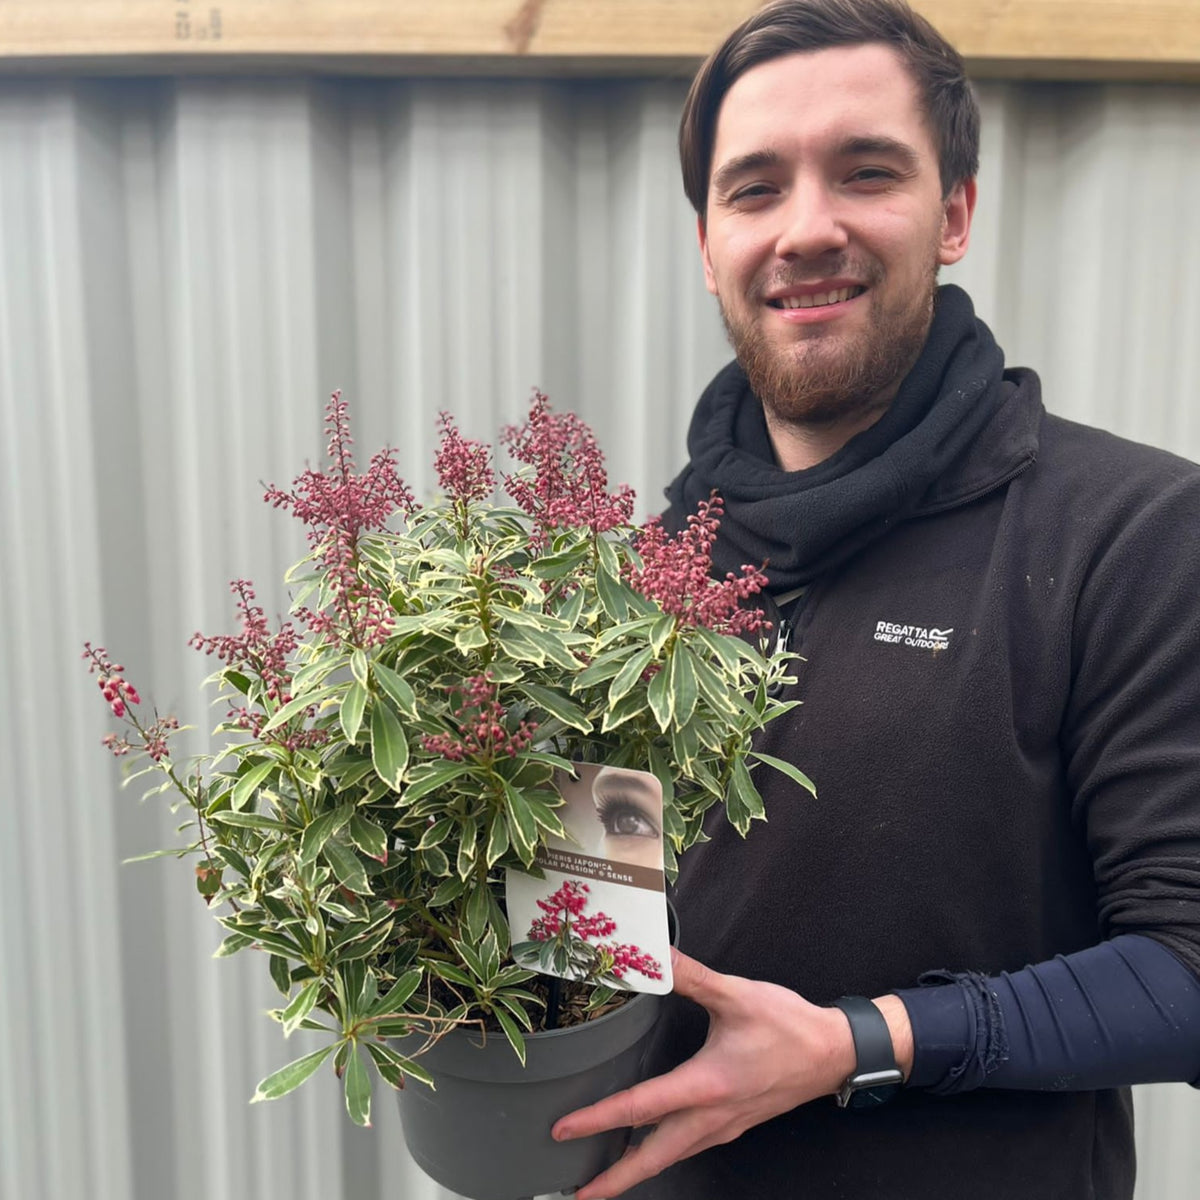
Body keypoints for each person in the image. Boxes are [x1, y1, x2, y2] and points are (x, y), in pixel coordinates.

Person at [550, 2, 1200, 1197]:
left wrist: (862, 1045)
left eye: (865, 173)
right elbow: (589, 922)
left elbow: (1188, 969)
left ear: (953, 212)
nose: (808, 228)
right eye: (754, 190)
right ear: (708, 242)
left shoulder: (1132, 533)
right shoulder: (635, 577)